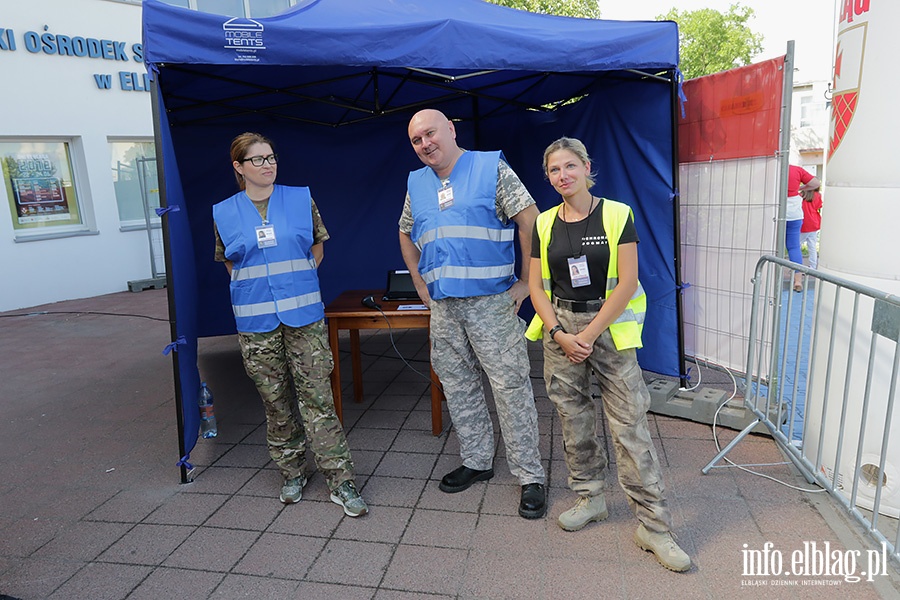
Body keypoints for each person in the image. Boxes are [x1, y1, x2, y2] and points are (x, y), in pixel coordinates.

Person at [526, 137, 691, 572]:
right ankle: (591, 496)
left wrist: (589, 333)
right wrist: (562, 333)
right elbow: (536, 286)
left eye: (569, 166)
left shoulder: (617, 214)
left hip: (608, 329)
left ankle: (654, 527)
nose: (563, 176)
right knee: (573, 418)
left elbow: (629, 282)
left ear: (586, 166)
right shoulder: (543, 223)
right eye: (554, 170)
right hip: (561, 330)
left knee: (630, 425)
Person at [398, 109, 546, 519]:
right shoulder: (417, 182)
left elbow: (529, 221)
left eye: (430, 133)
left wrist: (528, 283)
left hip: (491, 304)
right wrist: (418, 281)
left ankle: (530, 476)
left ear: (450, 129)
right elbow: (405, 230)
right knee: (459, 387)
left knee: (510, 388)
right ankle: (477, 461)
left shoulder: (489, 166)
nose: (425, 144)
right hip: (444, 308)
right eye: (416, 140)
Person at [212, 132, 367, 517]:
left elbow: (318, 245)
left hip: (304, 318)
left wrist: (297, 278)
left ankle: (340, 479)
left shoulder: (300, 199)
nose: (268, 165)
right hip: (257, 321)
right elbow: (228, 261)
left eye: (271, 157)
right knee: (276, 402)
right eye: (258, 160)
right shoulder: (224, 212)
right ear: (239, 167)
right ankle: (293, 471)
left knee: (318, 399)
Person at [787, 165, 821, 292]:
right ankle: (798, 280)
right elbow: (815, 183)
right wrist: (801, 187)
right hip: (795, 214)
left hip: (777, 211)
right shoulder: (796, 170)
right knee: (794, 246)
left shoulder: (773, 167)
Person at [800, 185, 823, 271]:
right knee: (812, 246)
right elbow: (819, 206)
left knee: (796, 246)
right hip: (814, 223)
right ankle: (813, 266)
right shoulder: (818, 196)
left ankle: (797, 266)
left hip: (804, 223)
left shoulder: (801, 195)